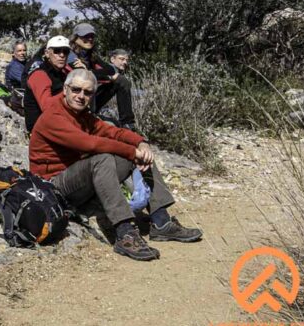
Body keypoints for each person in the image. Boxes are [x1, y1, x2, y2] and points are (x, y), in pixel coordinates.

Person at [30, 68, 203, 261]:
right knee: (101, 157)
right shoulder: (53, 116)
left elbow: (111, 132)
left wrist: (140, 143)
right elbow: (90, 143)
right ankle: (125, 232)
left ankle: (161, 222)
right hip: (54, 186)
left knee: (142, 156)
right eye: (76, 90)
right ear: (65, 89)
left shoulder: (82, 114)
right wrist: (131, 151)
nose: (81, 96)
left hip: (78, 179)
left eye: (87, 92)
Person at [68, 23, 136, 130]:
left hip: (90, 98)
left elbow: (110, 69)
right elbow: (80, 75)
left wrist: (90, 71)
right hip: (75, 98)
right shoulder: (70, 55)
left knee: (121, 81)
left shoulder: (91, 54)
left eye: (92, 36)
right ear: (75, 38)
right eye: (85, 36)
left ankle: (128, 124)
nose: (90, 39)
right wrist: (102, 76)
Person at [23, 36, 71, 134]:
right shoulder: (39, 74)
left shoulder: (62, 73)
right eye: (57, 51)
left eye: (65, 51)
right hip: (41, 130)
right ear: (47, 53)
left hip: (58, 123)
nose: (62, 55)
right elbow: (47, 106)